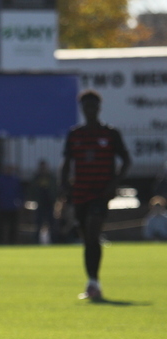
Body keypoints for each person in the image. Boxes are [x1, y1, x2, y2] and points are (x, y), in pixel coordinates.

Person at [61, 89, 131, 300]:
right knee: (88, 239)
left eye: (93, 106)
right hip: (80, 192)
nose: (90, 110)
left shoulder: (110, 134)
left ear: (99, 109)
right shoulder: (75, 134)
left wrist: (113, 185)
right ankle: (92, 281)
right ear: (82, 109)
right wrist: (65, 189)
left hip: (100, 193)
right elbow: (66, 163)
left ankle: (94, 283)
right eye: (86, 107)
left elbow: (126, 160)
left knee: (93, 231)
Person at [29, 160, 59, 244]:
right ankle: (36, 242)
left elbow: (55, 190)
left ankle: (54, 241)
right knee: (38, 224)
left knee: (52, 224)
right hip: (40, 205)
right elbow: (32, 191)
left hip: (49, 204)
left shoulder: (51, 178)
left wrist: (54, 199)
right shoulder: (36, 178)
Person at [0, 165, 23, 244]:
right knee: (0, 226)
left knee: (13, 226)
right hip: (2, 207)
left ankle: (12, 242)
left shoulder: (15, 180)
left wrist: (20, 203)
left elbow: (20, 193)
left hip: (12, 207)